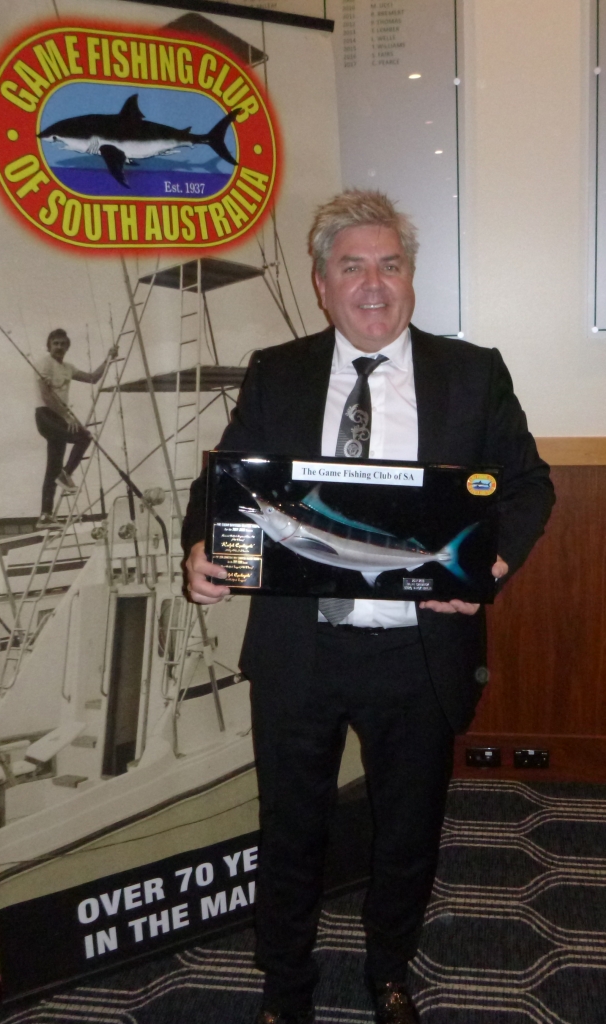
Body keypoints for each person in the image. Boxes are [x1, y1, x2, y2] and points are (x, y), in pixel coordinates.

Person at [182, 191, 554, 1024]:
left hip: (415, 653)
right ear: (322, 285)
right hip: (301, 649)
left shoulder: (472, 373)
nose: (374, 284)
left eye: (391, 264)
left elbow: (528, 485)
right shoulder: (278, 371)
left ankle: (390, 972)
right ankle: (286, 989)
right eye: (353, 267)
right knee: (291, 827)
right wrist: (201, 548)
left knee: (408, 830)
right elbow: (225, 484)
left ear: (411, 278)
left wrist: (488, 567)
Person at [34, 329, 116, 525]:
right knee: (84, 437)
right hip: (46, 415)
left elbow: (92, 378)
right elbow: (46, 395)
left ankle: (45, 515)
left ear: (67, 347)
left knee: (53, 466)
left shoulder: (68, 368)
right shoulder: (45, 363)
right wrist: (66, 417)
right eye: (56, 343)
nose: (59, 347)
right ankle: (66, 475)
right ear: (49, 346)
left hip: (59, 418)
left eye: (63, 344)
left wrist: (108, 359)